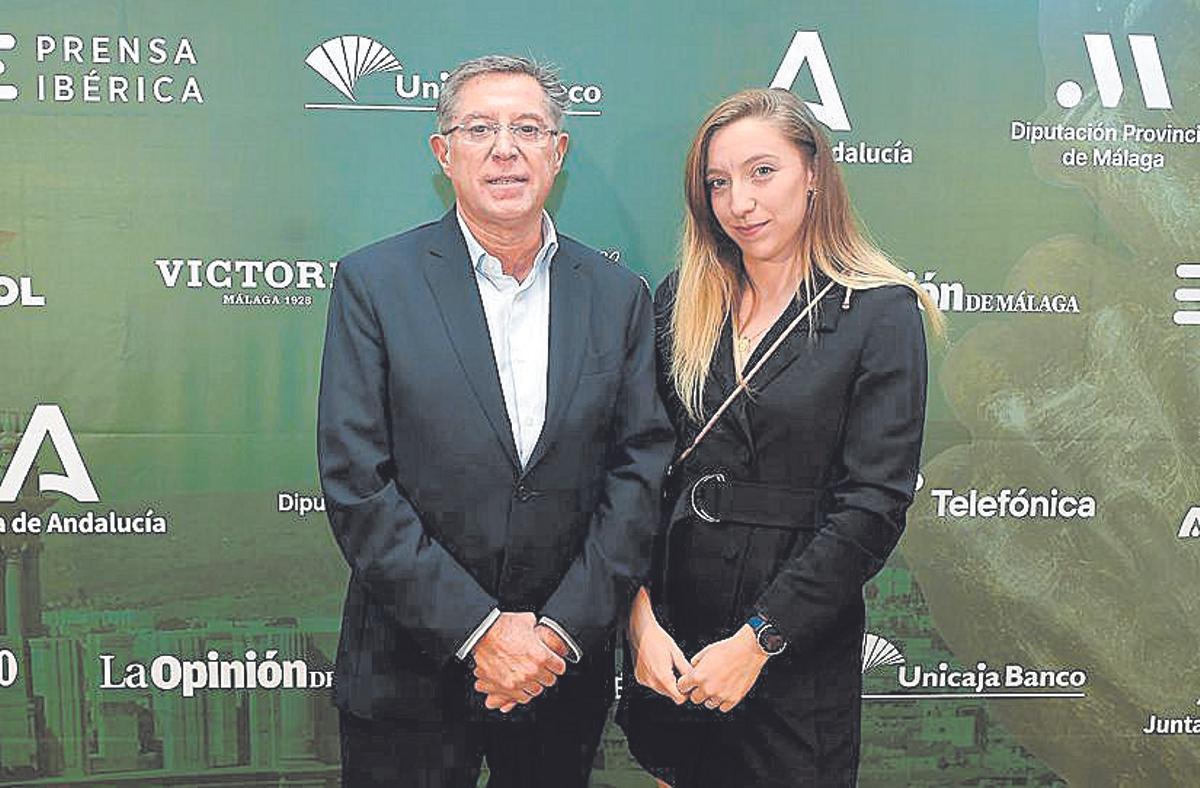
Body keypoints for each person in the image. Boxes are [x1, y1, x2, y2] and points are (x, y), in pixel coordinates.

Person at [317, 55, 673, 787]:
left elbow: (637, 474)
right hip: (405, 679)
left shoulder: (617, 295)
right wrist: (483, 633)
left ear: (558, 152)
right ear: (444, 153)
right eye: (479, 128)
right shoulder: (373, 284)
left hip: (557, 677)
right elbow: (358, 483)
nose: (505, 147)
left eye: (528, 128)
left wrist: (558, 633)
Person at [617, 88, 943, 787]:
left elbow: (872, 508)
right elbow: (641, 470)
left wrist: (759, 641)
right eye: (719, 182)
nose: (740, 202)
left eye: (762, 171)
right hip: (675, 635)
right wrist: (639, 623)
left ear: (814, 172)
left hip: (793, 647)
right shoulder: (682, 298)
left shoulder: (880, 314)